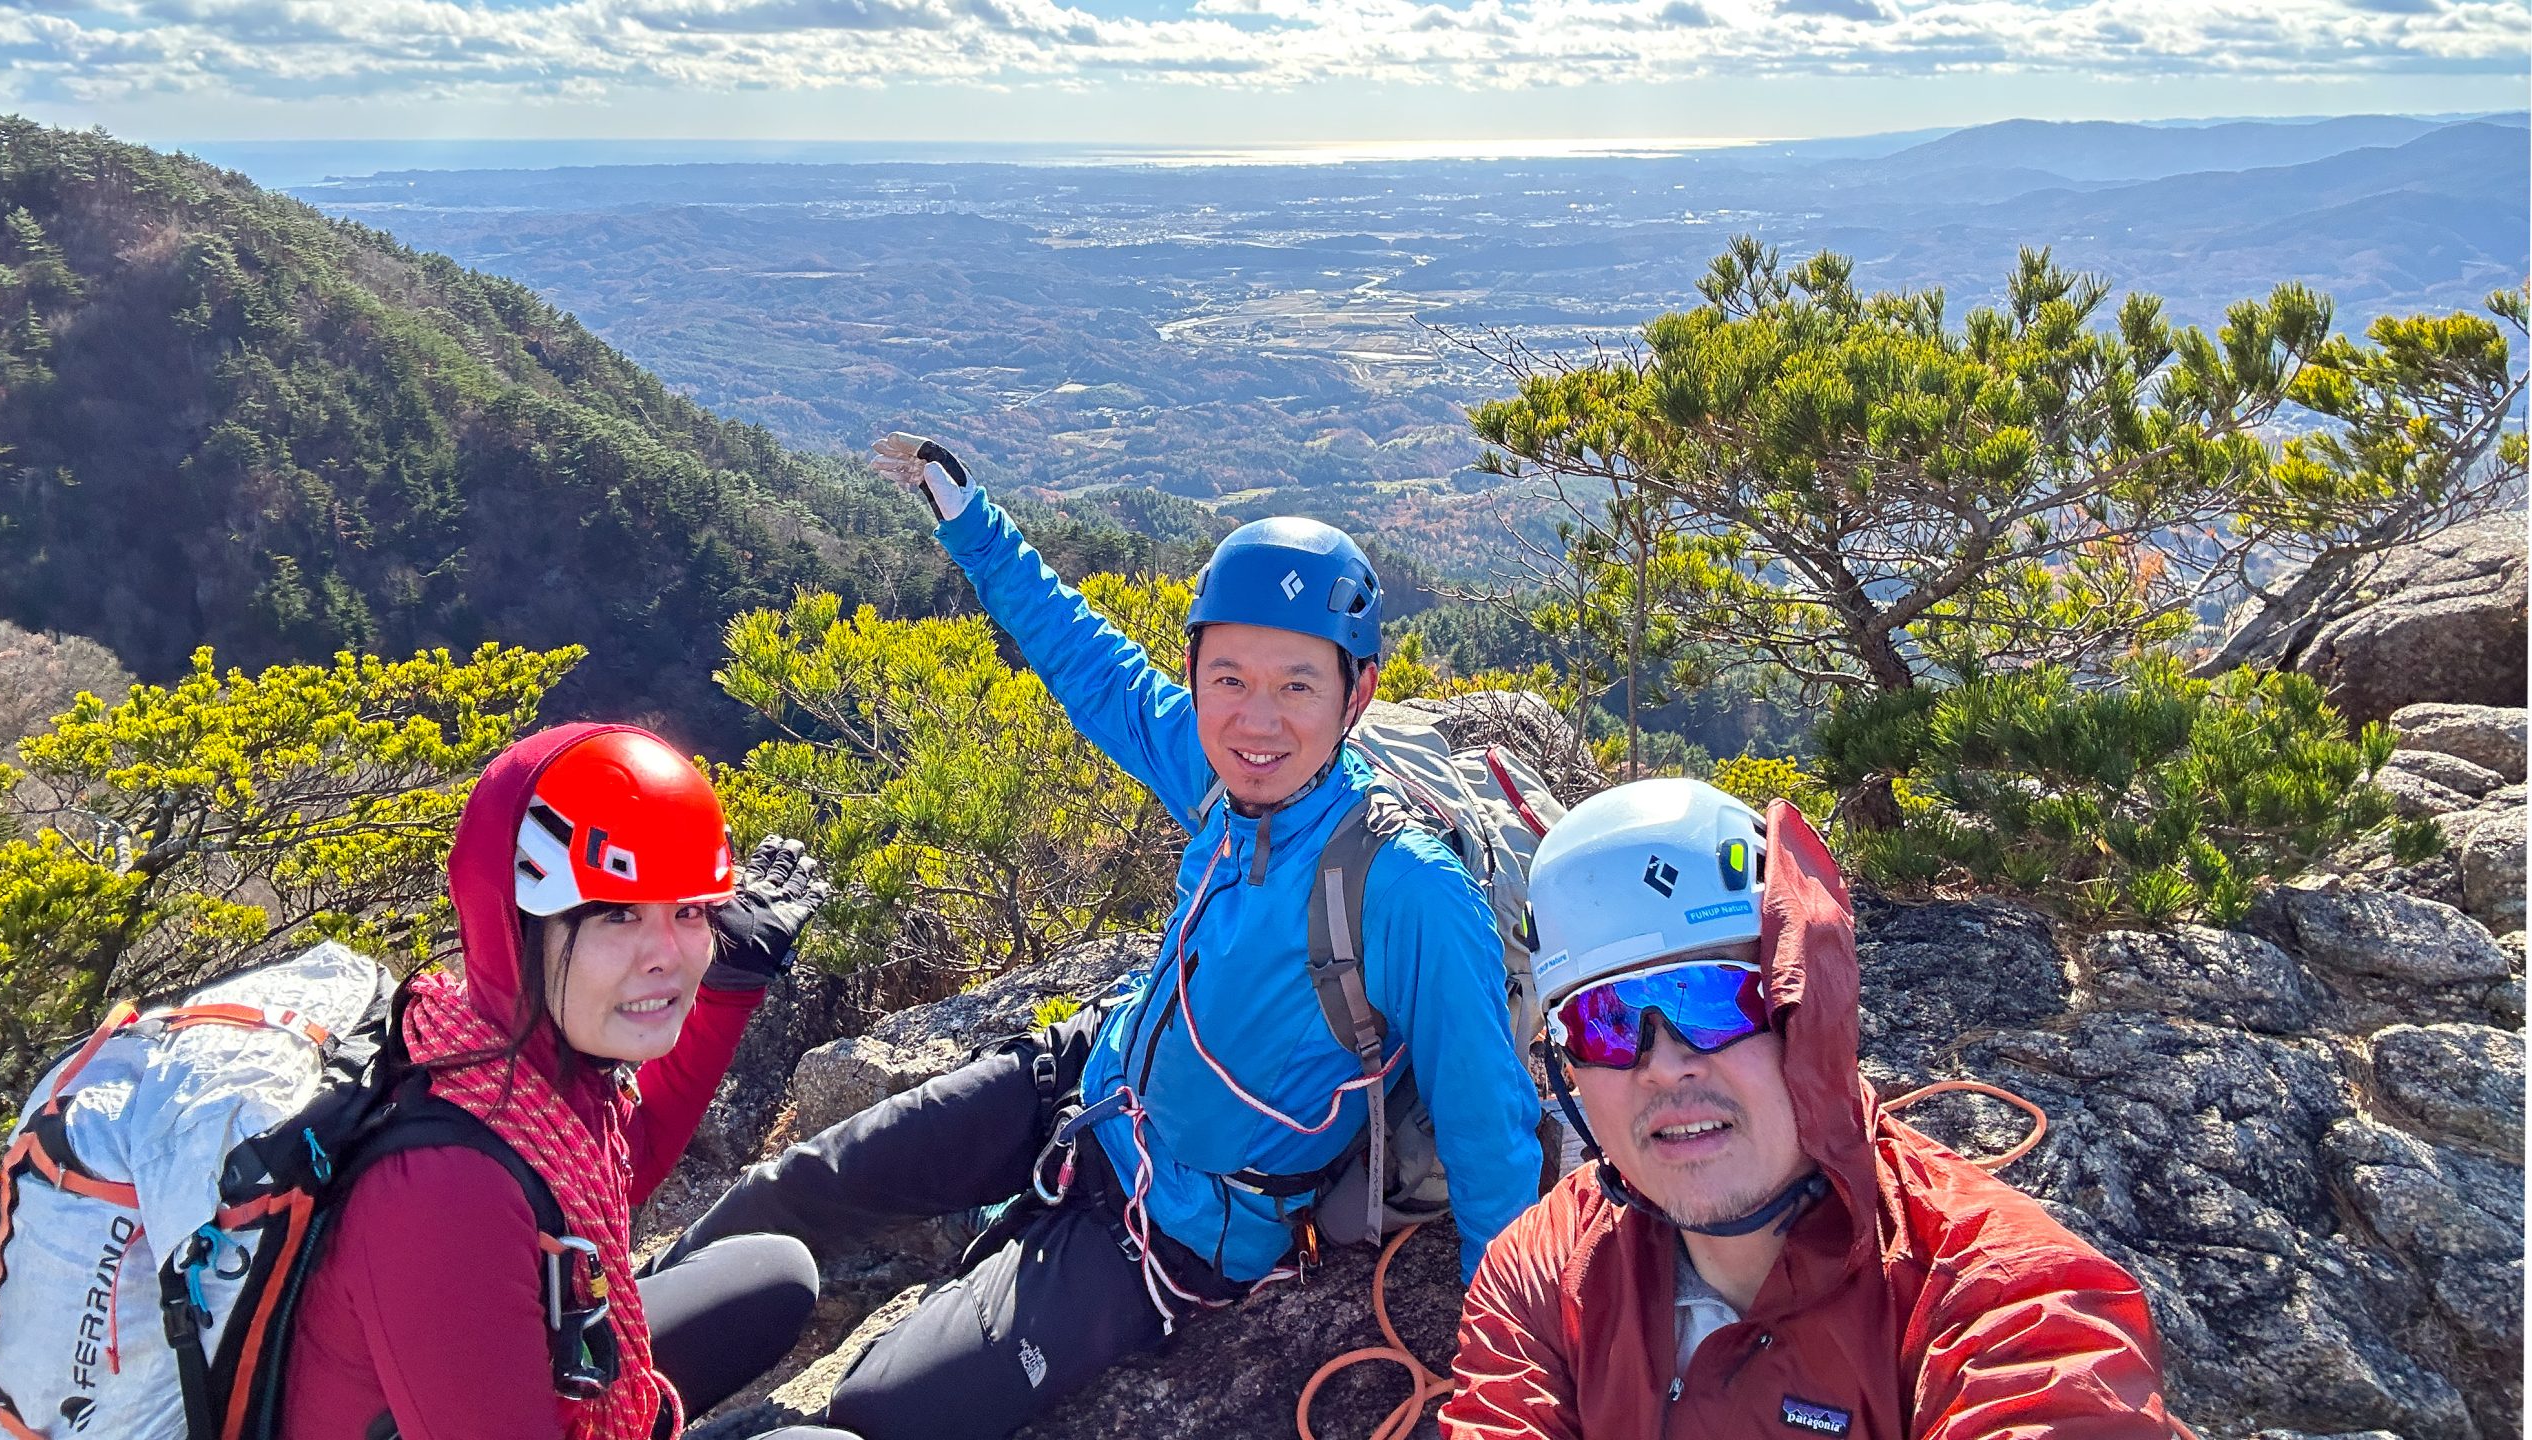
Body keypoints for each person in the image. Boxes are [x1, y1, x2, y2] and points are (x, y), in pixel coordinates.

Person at [651, 434, 1542, 1440]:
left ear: (1358, 693)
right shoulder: (1215, 769)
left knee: (874, 1412)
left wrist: (1501, 1386)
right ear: (1197, 671)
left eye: (1298, 684)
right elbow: (1090, 663)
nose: (1257, 718)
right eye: (1229, 678)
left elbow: (1488, 1133)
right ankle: (595, 1371)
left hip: (1176, 1231)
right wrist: (971, 524)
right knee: (804, 1185)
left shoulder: (1406, 888)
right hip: (1083, 1083)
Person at [1445, 779, 2176, 1439]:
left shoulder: (2007, 1301)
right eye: (1603, 1022)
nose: (1663, 1066)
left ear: (1807, 1006)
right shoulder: (1545, 1273)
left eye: (1712, 998)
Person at [282, 723, 840, 1439]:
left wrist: (729, 987)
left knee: (775, 1275)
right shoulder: (446, 1193)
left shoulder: (503, 1060)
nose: (667, 956)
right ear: (512, 923)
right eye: (616, 913)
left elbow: (616, 1164)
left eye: (690, 911)